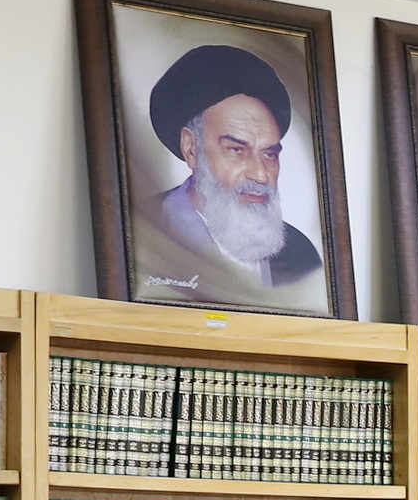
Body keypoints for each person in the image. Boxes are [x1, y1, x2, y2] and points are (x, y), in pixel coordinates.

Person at [131, 43, 327, 310]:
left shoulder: (300, 255)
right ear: (191, 148)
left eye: (269, 154)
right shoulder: (145, 233)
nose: (259, 174)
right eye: (237, 150)